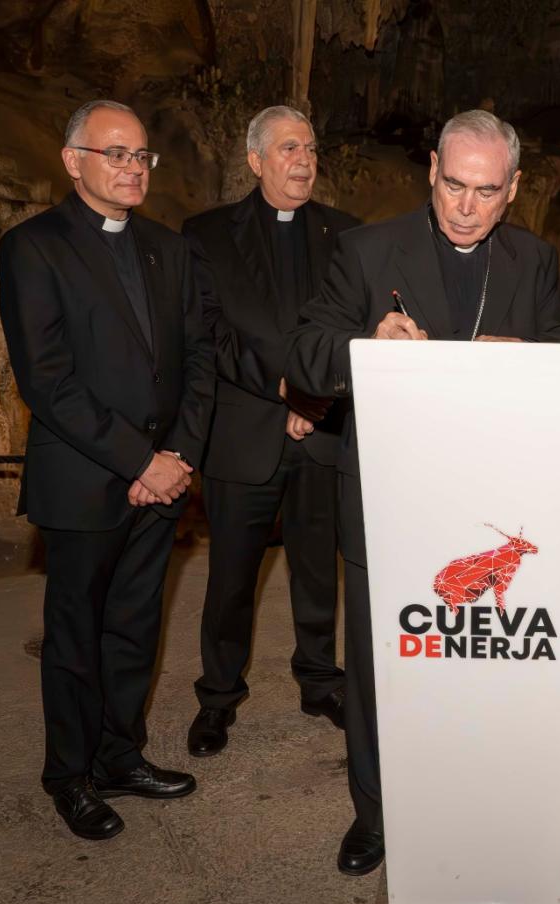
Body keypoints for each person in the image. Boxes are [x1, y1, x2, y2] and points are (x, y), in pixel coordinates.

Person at [265, 109, 560, 875]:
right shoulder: (368, 250)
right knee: (379, 669)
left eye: (486, 191)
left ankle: (469, 807)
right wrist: (364, 343)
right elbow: (305, 351)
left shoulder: (533, 260)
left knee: (474, 665)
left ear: (512, 191)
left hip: (491, 507)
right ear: (431, 173)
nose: (466, 207)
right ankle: (375, 818)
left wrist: (533, 355)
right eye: (453, 186)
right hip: (387, 499)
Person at [0, 100, 215, 840]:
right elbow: (48, 379)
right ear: (72, 160)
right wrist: (139, 461)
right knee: (75, 635)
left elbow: (198, 362)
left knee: (133, 626)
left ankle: (122, 756)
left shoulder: (169, 248)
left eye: (141, 156)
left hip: (162, 481)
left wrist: (178, 458)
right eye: (115, 154)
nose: (132, 168)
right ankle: (70, 776)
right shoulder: (33, 247)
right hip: (86, 480)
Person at [180, 106, 360, 757]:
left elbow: (350, 331)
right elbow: (208, 335)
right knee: (231, 578)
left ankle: (319, 680)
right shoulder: (205, 235)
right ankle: (218, 696)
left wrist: (316, 398)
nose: (304, 160)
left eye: (310, 147)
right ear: (256, 160)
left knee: (318, 570)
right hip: (243, 433)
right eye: (288, 148)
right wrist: (285, 388)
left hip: (321, 433)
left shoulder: (346, 234)